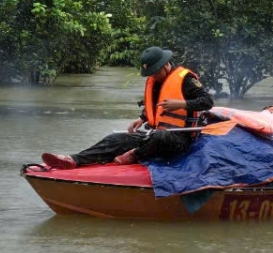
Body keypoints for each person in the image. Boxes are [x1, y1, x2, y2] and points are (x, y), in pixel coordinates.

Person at [42, 47, 214, 168]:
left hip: (180, 139)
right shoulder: (155, 81)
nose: (153, 76)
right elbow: (155, 107)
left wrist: (181, 104)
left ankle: (135, 154)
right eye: (150, 73)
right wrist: (142, 118)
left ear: (165, 65)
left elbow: (207, 101)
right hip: (153, 136)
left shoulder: (186, 80)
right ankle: (73, 160)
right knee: (114, 138)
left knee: (161, 137)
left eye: (155, 72)